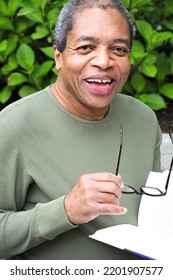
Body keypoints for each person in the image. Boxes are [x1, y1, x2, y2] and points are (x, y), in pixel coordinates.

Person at [0, 0, 162, 260]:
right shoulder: (12, 126)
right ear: (58, 56)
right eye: (86, 47)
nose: (103, 61)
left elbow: (155, 213)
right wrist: (66, 210)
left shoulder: (143, 119)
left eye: (118, 49)